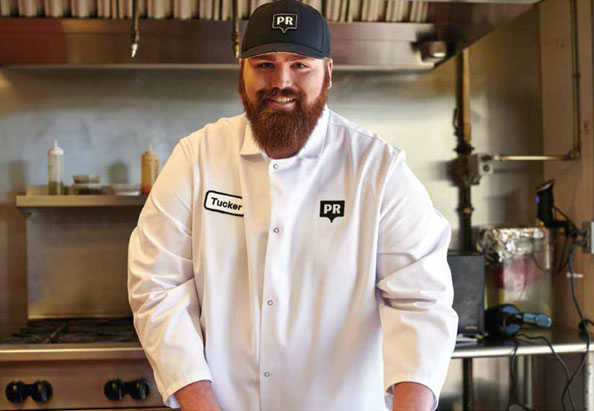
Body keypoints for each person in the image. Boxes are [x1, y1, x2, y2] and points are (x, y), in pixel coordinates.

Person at [127, 1, 458, 410]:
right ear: (242, 73)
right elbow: (157, 287)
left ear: (328, 73)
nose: (280, 81)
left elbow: (420, 300)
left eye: (300, 65)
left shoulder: (377, 168)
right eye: (264, 64)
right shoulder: (197, 157)